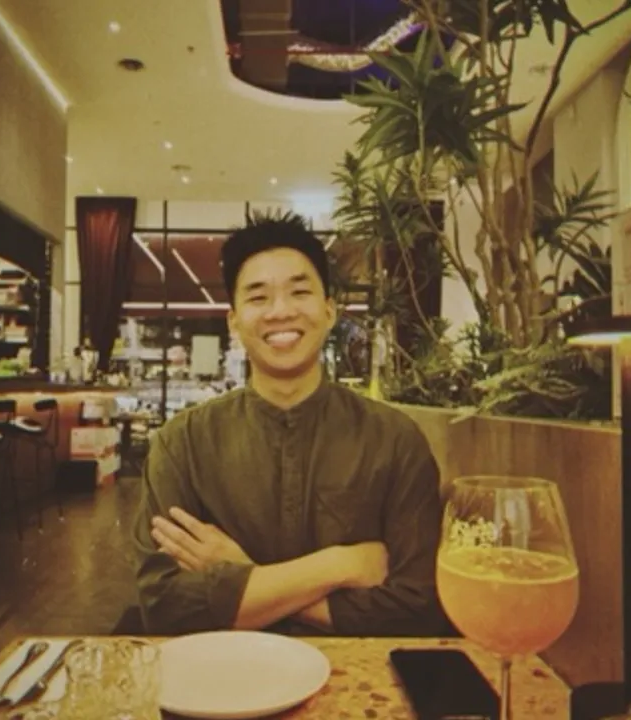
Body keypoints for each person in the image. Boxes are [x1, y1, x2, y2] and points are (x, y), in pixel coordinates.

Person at [132, 215, 448, 637]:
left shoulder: (394, 440)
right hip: (225, 670)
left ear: (330, 311)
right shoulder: (182, 444)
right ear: (233, 321)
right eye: (258, 297)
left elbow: (417, 605)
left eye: (299, 292)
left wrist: (243, 577)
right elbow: (165, 605)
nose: (281, 311)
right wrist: (340, 565)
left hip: (355, 673)